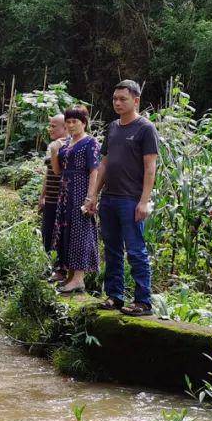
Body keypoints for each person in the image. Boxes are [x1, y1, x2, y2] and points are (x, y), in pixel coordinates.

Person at [82, 79, 158, 315]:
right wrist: (93, 195)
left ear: (136, 101)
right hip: (109, 199)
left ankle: (143, 301)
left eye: (123, 99)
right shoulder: (113, 127)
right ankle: (115, 296)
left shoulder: (145, 129)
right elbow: (104, 164)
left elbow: (150, 167)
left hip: (130, 200)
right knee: (112, 249)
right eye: (115, 99)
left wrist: (144, 201)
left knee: (135, 250)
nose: (117, 102)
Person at [52, 106, 100, 294]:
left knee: (80, 233)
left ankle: (79, 278)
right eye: (68, 122)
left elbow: (94, 170)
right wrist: (55, 151)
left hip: (81, 191)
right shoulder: (65, 144)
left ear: (84, 123)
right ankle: (71, 277)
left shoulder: (90, 143)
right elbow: (57, 171)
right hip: (65, 192)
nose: (71, 125)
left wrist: (90, 196)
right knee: (66, 232)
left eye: (75, 122)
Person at [39, 114, 68, 280]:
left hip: (62, 199)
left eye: (53, 126)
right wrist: (42, 196)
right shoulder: (52, 146)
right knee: (47, 233)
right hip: (49, 198)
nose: (50, 129)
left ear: (65, 127)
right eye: (49, 126)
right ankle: (49, 266)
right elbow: (48, 173)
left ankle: (60, 269)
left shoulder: (68, 147)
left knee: (59, 234)